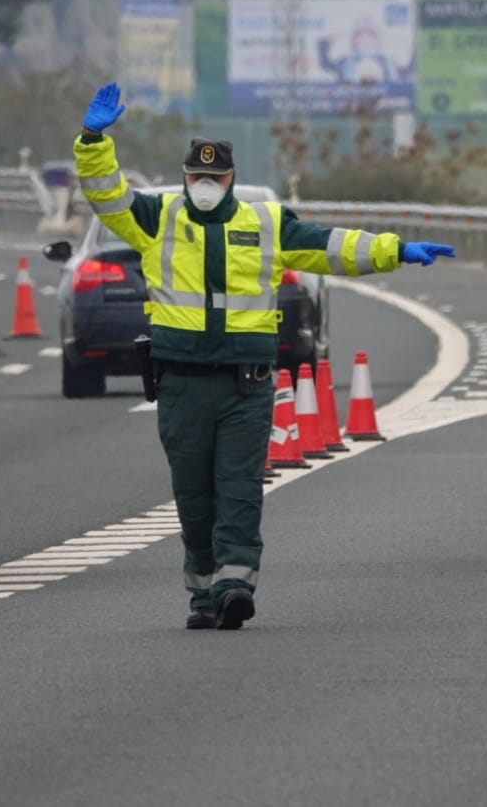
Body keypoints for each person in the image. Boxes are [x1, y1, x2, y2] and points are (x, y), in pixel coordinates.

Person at [75, 82, 457, 630]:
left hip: (244, 386)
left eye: (216, 176)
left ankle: (235, 582)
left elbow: (331, 246)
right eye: (197, 176)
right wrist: (93, 139)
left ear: (230, 179)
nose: (206, 184)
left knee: (239, 488)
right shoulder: (156, 219)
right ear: (185, 177)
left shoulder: (266, 223)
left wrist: (395, 249)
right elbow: (104, 194)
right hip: (181, 382)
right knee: (193, 495)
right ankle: (203, 592)